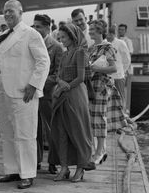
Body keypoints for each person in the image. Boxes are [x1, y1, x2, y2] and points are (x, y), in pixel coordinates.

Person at [0, 0, 50, 189]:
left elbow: (43, 61)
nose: (7, 14)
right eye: (5, 11)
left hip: (23, 91)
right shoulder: (4, 35)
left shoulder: (30, 34)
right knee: (7, 133)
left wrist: (34, 84)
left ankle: (27, 173)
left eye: (11, 11)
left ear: (21, 12)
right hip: (3, 91)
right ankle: (12, 169)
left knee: (25, 133)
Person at [50, 23, 95, 182]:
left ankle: (81, 168)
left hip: (75, 95)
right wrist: (60, 82)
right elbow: (58, 74)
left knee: (78, 131)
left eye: (64, 37)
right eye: (59, 38)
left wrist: (66, 85)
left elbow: (81, 78)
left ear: (72, 36)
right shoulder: (64, 54)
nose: (61, 40)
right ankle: (63, 168)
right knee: (61, 131)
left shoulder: (80, 52)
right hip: (61, 95)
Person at [88, 20, 128, 164]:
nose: (90, 31)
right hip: (91, 86)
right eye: (90, 29)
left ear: (100, 30)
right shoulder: (92, 47)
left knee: (99, 118)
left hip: (102, 87)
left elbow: (113, 69)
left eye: (92, 29)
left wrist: (96, 68)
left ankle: (100, 151)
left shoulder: (107, 47)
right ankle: (98, 150)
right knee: (92, 118)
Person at [32, 14, 63, 174]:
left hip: (48, 94)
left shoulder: (56, 47)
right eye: (34, 26)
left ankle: (53, 162)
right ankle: (35, 161)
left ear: (47, 28)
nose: (35, 29)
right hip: (32, 94)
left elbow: (58, 74)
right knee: (34, 128)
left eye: (38, 26)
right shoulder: (30, 43)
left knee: (51, 129)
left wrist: (38, 82)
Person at [106, 25, 131, 109]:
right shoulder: (104, 43)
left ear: (114, 34)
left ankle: (122, 115)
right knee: (109, 98)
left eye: (110, 34)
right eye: (107, 34)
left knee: (120, 97)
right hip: (108, 76)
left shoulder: (121, 43)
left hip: (119, 76)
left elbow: (127, 59)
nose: (108, 36)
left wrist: (122, 71)